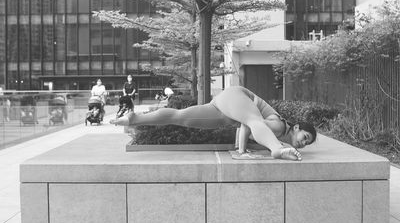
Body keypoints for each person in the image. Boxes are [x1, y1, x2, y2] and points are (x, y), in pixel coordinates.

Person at [110, 86, 317, 161]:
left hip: (224, 108)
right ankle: (276, 151)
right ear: (296, 128)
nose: (302, 143)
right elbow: (250, 123)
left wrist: (242, 148)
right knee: (253, 119)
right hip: (237, 96)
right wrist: (244, 150)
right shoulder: (280, 126)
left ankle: (133, 118)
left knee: (180, 117)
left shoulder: (278, 129)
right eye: (304, 137)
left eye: (306, 143)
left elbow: (247, 125)